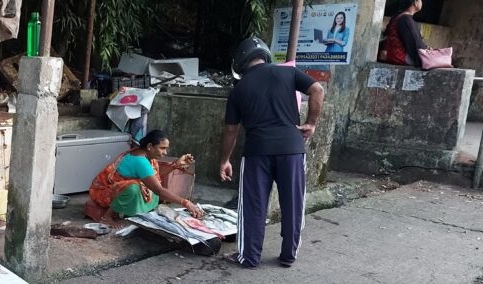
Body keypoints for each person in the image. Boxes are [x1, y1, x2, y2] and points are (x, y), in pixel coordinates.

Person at [220, 37, 324, 269]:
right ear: (265, 54)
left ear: (240, 62)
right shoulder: (288, 73)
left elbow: (231, 130)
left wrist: (225, 160)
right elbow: (317, 89)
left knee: (254, 205)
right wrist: (311, 122)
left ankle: (249, 257)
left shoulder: (238, 90)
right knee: (293, 202)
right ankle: (288, 255)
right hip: (292, 149)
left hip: (257, 151)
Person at [89, 130, 204, 226]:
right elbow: (158, 190)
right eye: (162, 148)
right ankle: (107, 216)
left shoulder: (145, 155)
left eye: (166, 148)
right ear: (150, 146)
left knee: (149, 189)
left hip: (121, 189)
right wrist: (186, 203)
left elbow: (153, 177)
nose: (165, 152)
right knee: (135, 189)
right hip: (105, 191)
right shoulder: (140, 160)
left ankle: (130, 209)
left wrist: (175, 165)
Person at [380, 0, 427, 66]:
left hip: (394, 55)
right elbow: (414, 44)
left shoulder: (401, 16)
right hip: (399, 57)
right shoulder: (405, 19)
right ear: (415, 3)